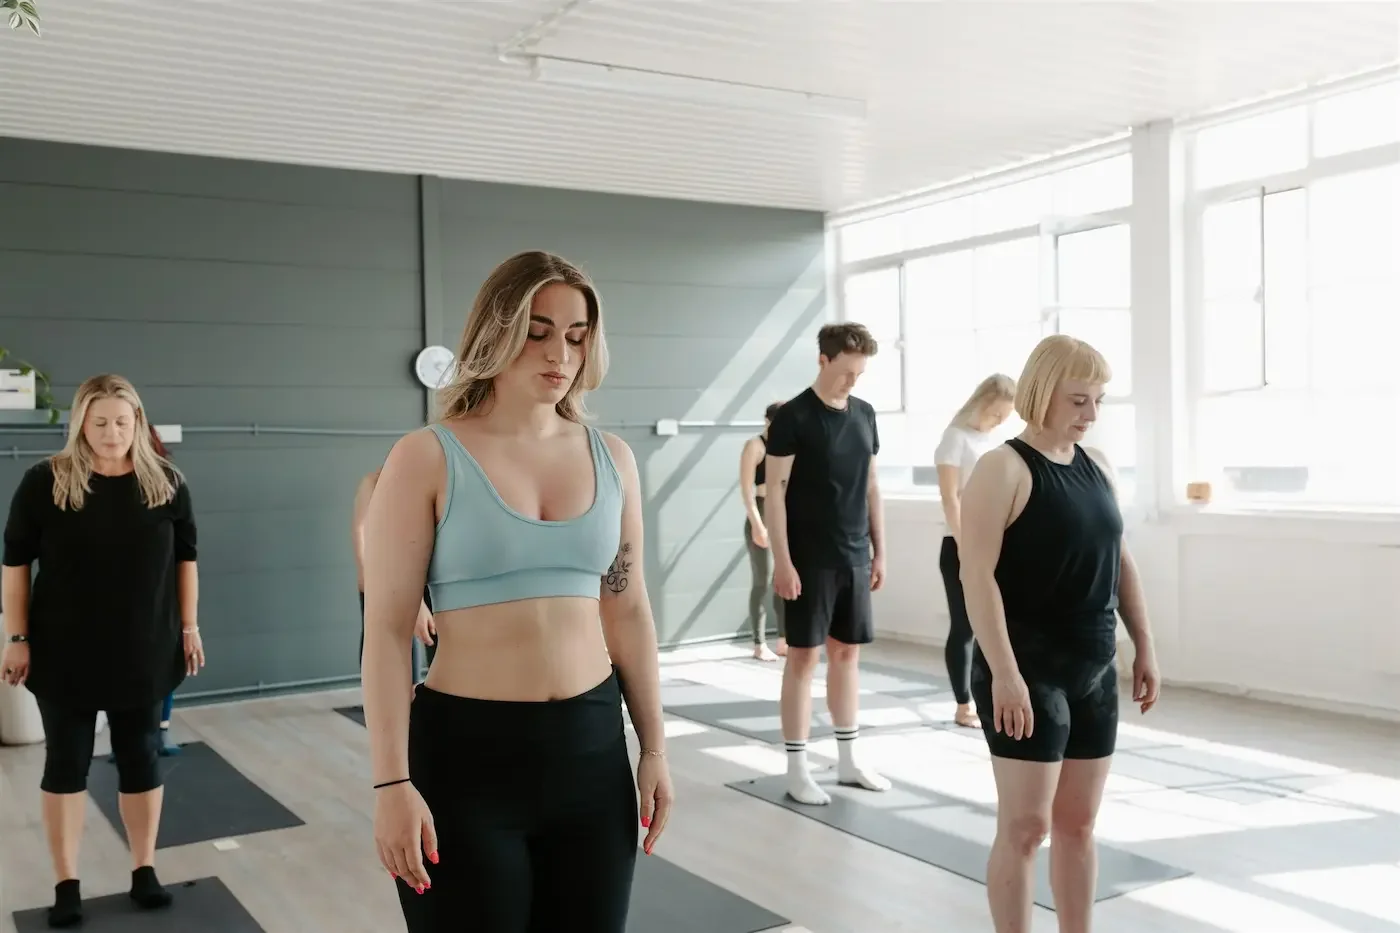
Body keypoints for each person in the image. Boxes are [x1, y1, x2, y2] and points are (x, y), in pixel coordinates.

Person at [361, 250, 673, 933]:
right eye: (538, 331)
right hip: (466, 761)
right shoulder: (426, 455)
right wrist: (391, 782)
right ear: (496, 331)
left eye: (577, 335)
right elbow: (384, 631)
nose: (560, 353)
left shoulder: (614, 458)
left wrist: (653, 747)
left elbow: (628, 609)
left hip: (592, 753)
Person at [957, 335, 1160, 933]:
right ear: (1042, 392)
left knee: (1079, 825)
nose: (1091, 414)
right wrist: (1005, 674)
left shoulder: (1097, 466)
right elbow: (976, 577)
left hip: (1094, 669)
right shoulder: (1003, 469)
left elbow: (1120, 559)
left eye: (1098, 401)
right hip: (1026, 670)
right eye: (1078, 400)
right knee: (1026, 828)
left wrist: (1144, 644)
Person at [1, 374, 205, 929]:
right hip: (62, 652)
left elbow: (186, 559)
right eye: (100, 422)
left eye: (121, 421)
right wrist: (16, 638)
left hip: (144, 648)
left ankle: (144, 869)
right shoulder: (45, 482)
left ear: (137, 422)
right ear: (80, 424)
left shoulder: (166, 483)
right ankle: (66, 882)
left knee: (141, 757)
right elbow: (14, 564)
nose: (112, 432)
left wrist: (189, 628)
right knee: (65, 763)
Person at [765, 322, 890, 806]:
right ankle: (797, 768)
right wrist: (782, 560)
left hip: (855, 555)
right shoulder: (793, 417)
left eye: (860, 374)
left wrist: (880, 550)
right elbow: (775, 493)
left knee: (847, 655)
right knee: (803, 658)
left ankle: (848, 759)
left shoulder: (865, 414)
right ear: (823, 360)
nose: (852, 382)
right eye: (846, 372)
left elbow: (872, 486)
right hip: (808, 559)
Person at [934, 374, 1017, 728]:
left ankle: (993, 696)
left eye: (1004, 418)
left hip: (995, 545)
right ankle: (962, 704)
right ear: (981, 403)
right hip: (960, 546)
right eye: (996, 414)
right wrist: (966, 546)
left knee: (995, 624)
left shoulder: (994, 442)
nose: (998, 422)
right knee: (965, 626)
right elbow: (950, 498)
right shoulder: (955, 438)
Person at [352, 469, 437, 680]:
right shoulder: (373, 483)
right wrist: (368, 576)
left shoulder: (422, 484)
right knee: (384, 641)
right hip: (384, 577)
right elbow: (360, 532)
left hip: (421, 576)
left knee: (432, 636)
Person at [737, 401, 787, 661]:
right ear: (768, 421)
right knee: (762, 580)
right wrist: (757, 524)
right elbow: (746, 489)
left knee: (783, 577)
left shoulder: (788, 447)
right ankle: (759, 643)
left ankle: (784, 639)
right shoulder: (755, 446)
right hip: (761, 512)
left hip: (783, 515)